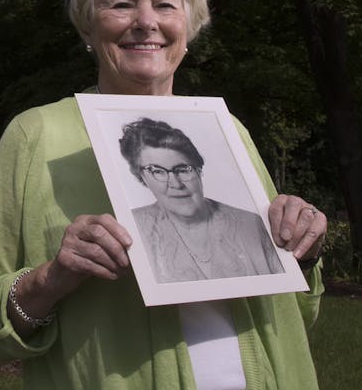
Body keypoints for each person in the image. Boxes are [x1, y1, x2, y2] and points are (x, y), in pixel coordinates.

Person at [0, 0, 331, 390]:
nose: (147, 22)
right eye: (122, 4)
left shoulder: (227, 131)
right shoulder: (36, 135)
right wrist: (53, 276)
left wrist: (302, 251)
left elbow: (296, 311)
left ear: (189, 26)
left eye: (165, 6)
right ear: (89, 25)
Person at [120, 117, 283, 283]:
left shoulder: (250, 224)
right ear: (142, 178)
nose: (176, 184)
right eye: (157, 171)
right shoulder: (130, 229)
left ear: (199, 170)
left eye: (183, 169)